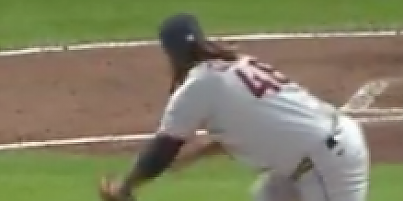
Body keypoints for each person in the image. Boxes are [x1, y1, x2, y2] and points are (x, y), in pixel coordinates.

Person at [96, 14, 369, 201]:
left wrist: (126, 187)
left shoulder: (198, 86)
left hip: (327, 165)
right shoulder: (236, 64)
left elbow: (163, 149)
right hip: (320, 152)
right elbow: (253, 124)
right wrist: (198, 155)